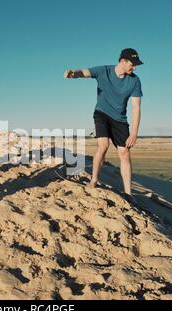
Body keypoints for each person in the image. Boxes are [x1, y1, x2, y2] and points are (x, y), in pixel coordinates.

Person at [64, 48, 143, 202]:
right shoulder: (103, 71)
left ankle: (128, 193)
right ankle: (94, 180)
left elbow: (136, 107)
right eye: (133, 64)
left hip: (120, 119)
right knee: (103, 145)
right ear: (123, 61)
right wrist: (73, 74)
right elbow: (84, 72)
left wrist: (134, 133)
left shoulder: (134, 80)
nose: (135, 68)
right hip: (102, 113)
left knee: (125, 153)